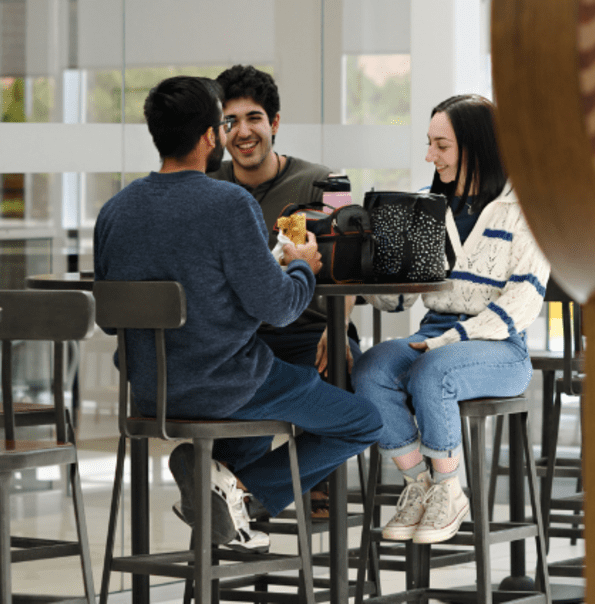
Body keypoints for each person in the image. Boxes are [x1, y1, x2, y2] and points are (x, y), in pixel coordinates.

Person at [93, 75, 382, 552]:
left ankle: (224, 497)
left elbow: (109, 319)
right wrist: (302, 268)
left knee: (251, 428)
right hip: (227, 384)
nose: (241, 131)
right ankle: (243, 495)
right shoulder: (228, 203)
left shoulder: (115, 210)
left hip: (151, 393)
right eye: (229, 122)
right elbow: (281, 306)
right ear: (212, 136)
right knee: (363, 421)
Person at [351, 94, 550, 544]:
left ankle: (449, 488)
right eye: (429, 143)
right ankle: (419, 486)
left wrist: (450, 341)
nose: (429, 156)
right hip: (433, 336)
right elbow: (401, 301)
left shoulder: (525, 207)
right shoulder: (428, 208)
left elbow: (522, 303)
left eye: (441, 145)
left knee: (431, 369)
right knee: (371, 368)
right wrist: (370, 267)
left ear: (476, 146)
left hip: (500, 347)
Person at [208, 65, 361, 376]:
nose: (243, 132)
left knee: (337, 387)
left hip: (311, 333)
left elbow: (350, 268)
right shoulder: (208, 185)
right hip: (240, 341)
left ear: (274, 122)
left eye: (254, 118)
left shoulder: (328, 181)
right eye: (230, 121)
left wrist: (337, 327)